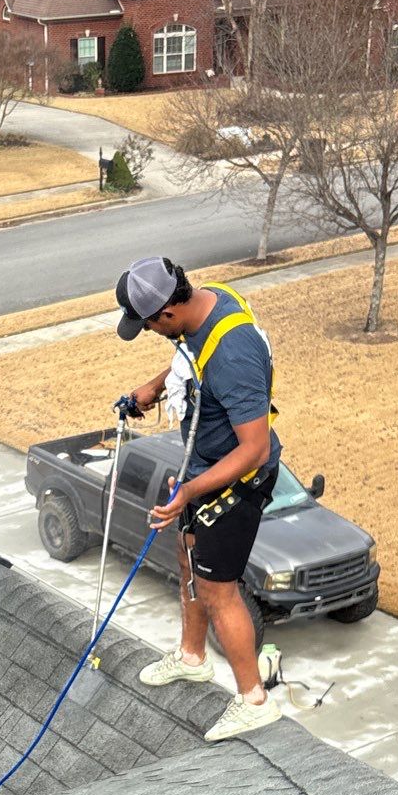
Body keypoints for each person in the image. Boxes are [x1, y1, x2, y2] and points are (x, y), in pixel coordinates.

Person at [116, 255, 283, 741]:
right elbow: (189, 356)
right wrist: (151, 388)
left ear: (167, 311)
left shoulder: (234, 351)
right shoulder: (206, 301)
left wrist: (189, 489)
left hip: (234, 480)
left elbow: (253, 449)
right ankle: (192, 657)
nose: (146, 330)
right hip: (204, 465)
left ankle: (253, 698)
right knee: (188, 557)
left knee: (217, 588)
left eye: (147, 324)